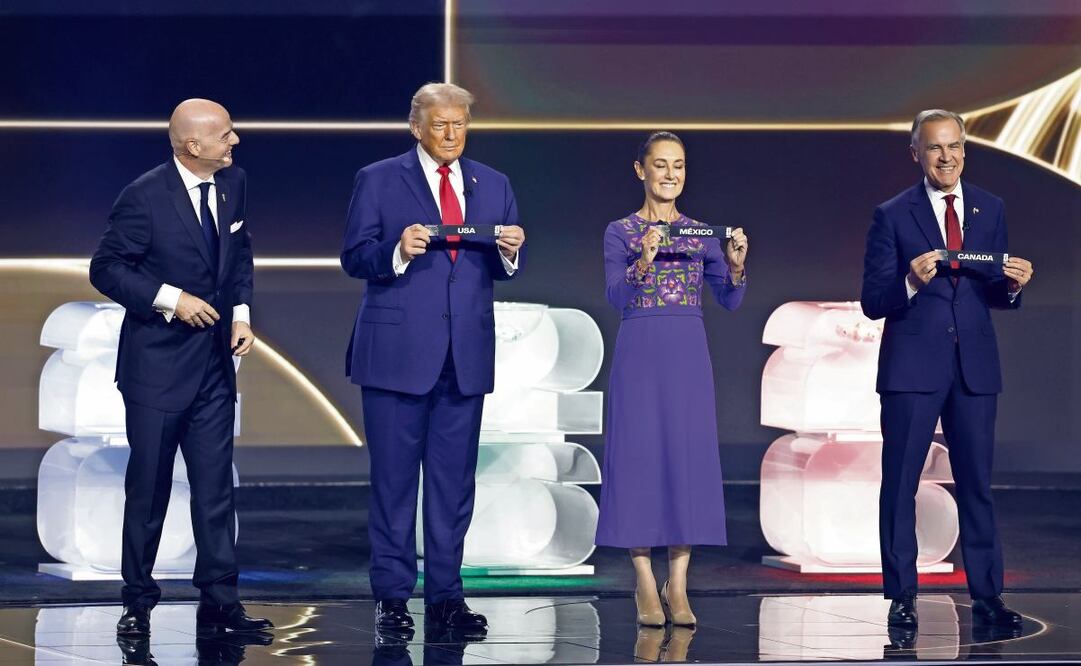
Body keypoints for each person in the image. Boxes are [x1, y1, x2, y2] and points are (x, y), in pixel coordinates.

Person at [340, 82, 525, 636]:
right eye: (440, 124)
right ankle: (393, 601)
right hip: (397, 356)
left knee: (453, 487)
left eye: (460, 125)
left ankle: (447, 598)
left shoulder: (493, 184)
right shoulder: (378, 179)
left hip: (463, 358)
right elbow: (354, 256)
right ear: (416, 126)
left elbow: (495, 265)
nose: (451, 135)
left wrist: (511, 252)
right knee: (394, 486)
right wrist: (396, 250)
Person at [90, 99, 272, 636]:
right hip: (157, 372)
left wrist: (240, 313)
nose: (235, 141)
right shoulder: (144, 198)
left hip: (215, 366)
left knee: (216, 491)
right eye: (226, 134)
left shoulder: (233, 183)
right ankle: (137, 604)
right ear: (193, 146)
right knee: (148, 492)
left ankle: (220, 606)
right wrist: (172, 299)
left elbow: (238, 255)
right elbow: (106, 269)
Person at [861, 109, 1034, 630]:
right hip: (913, 368)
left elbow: (989, 290)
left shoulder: (990, 207)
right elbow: (874, 300)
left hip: (974, 368)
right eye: (935, 148)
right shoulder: (892, 215)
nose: (947, 157)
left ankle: (988, 595)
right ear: (917, 154)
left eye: (955, 146)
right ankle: (903, 595)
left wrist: (1013, 285)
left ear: (965, 148)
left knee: (977, 483)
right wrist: (911, 282)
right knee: (901, 484)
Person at [595, 131, 748, 626]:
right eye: (660, 165)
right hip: (639, 354)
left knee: (687, 461)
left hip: (687, 354)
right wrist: (644, 257)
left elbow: (729, 299)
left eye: (678, 165)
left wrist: (736, 265)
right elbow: (617, 298)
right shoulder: (619, 231)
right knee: (638, 461)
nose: (670, 175)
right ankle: (644, 581)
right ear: (640, 171)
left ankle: (677, 585)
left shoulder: (701, 233)